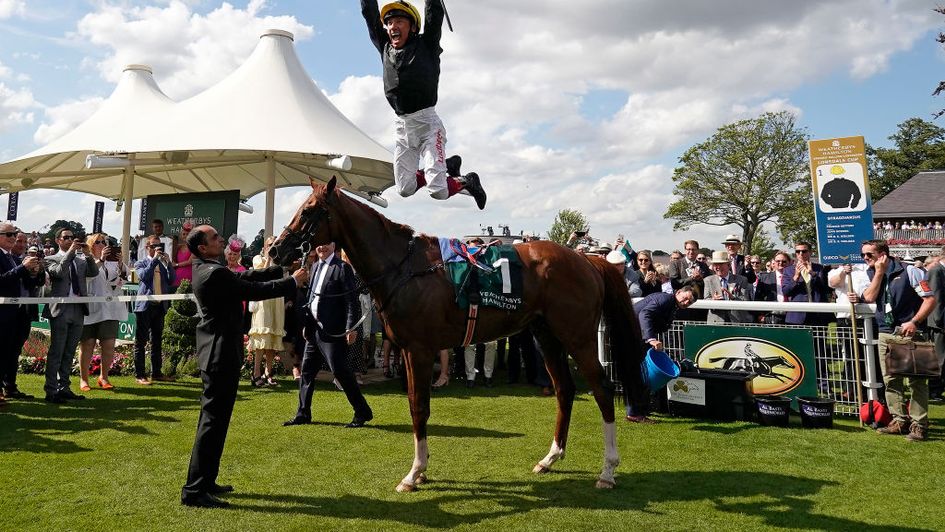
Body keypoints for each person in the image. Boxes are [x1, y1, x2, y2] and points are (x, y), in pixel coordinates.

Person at [182, 225, 305, 508]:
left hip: (219, 353)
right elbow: (250, 288)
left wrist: (279, 267)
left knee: (216, 423)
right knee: (212, 424)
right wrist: (291, 282)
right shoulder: (212, 273)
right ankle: (195, 490)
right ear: (202, 247)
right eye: (215, 238)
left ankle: (206, 481)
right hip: (219, 355)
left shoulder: (211, 269)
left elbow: (247, 275)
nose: (221, 240)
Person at [360, 0, 487, 210]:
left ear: (413, 27)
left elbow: (433, 14)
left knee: (438, 190)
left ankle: (468, 181)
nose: (393, 27)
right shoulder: (384, 46)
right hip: (402, 127)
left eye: (399, 21)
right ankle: (445, 166)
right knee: (404, 188)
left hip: (428, 125)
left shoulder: (427, 44)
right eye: (389, 23)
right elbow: (369, 14)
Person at [283, 241, 373, 429]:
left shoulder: (342, 268)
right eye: (319, 245)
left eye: (326, 245)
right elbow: (311, 299)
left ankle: (362, 411)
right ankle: (303, 413)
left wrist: (351, 328)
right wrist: (307, 325)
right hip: (313, 330)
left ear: (334, 246)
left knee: (340, 372)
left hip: (333, 331)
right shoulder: (315, 266)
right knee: (306, 372)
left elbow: (351, 300)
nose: (321, 248)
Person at [861, 239, 934, 442]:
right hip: (885, 331)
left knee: (916, 380)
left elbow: (930, 299)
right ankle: (899, 420)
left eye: (869, 254)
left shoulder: (910, 271)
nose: (865, 258)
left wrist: (915, 321)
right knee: (891, 379)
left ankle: (919, 424)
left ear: (883, 254)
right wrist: (878, 272)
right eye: (863, 255)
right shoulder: (870, 272)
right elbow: (868, 297)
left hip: (910, 331)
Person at [43, 227, 99, 403]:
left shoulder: (81, 261)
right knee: (57, 351)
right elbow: (59, 272)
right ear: (58, 240)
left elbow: (94, 273)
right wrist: (71, 253)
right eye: (66, 237)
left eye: (72, 237)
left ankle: (64, 387)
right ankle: (51, 391)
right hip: (60, 309)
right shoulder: (50, 258)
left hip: (78, 309)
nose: (70, 240)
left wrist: (88, 255)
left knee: (69, 352)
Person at [629, 287, 696, 422]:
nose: (686, 302)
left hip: (635, 334)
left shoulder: (671, 303)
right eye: (685, 297)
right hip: (632, 334)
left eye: (689, 302)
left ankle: (639, 410)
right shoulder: (665, 299)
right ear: (678, 292)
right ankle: (635, 413)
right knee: (640, 374)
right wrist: (651, 339)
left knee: (642, 373)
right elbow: (645, 314)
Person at [78, 233, 128, 391]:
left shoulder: (114, 263)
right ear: (91, 245)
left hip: (110, 309)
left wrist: (120, 264)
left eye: (104, 242)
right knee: (87, 344)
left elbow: (123, 280)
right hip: (92, 309)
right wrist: (101, 261)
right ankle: (84, 379)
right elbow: (87, 276)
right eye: (98, 242)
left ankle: (104, 377)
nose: (102, 245)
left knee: (109, 344)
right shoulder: (86, 261)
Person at [0, 223, 44, 400]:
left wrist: (36, 272)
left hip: (19, 313)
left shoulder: (13, 258)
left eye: (15, 234)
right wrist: (22, 268)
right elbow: (1, 281)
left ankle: (10, 387)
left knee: (12, 351)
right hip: (3, 313)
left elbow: (32, 284)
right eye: (9, 234)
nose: (13, 238)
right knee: (2, 351)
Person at [133, 236, 175, 385]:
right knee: (141, 342)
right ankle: (140, 375)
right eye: (153, 246)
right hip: (144, 307)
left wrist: (169, 263)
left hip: (159, 306)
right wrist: (155, 260)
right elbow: (144, 276)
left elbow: (171, 280)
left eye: (159, 246)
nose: (157, 249)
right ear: (147, 248)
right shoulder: (140, 263)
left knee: (156, 341)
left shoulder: (162, 265)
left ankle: (156, 373)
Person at [246, 237, 286, 387]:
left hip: (277, 301)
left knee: (272, 338)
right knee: (261, 337)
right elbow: (263, 274)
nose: (272, 247)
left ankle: (268, 373)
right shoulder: (258, 258)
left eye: (275, 245)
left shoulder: (280, 261)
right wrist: (269, 258)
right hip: (263, 301)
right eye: (270, 245)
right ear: (264, 246)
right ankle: (256, 373)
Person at [782, 241, 832, 326]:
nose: (800, 254)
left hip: (818, 315)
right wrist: (796, 277)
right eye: (798, 251)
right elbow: (786, 291)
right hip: (797, 316)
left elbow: (826, 289)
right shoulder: (788, 270)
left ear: (810, 252)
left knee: (818, 339)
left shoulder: (819, 268)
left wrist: (812, 273)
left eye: (804, 251)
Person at [703, 250, 754, 324]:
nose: (718, 267)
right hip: (716, 322)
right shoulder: (708, 280)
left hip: (736, 321)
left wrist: (733, 298)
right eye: (715, 264)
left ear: (729, 265)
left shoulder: (741, 280)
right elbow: (706, 300)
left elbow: (745, 300)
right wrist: (713, 300)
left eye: (721, 264)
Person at [754, 251, 792, 324]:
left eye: (784, 261)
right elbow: (758, 297)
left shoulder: (795, 277)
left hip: (791, 316)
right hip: (771, 317)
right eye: (778, 261)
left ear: (789, 262)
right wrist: (760, 316)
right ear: (774, 263)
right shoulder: (764, 278)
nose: (780, 263)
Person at [172, 222, 195, 289]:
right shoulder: (178, 247)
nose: (185, 236)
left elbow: (190, 261)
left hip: (189, 275)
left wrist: (176, 265)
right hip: (177, 276)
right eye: (183, 234)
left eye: (188, 234)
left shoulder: (194, 247)